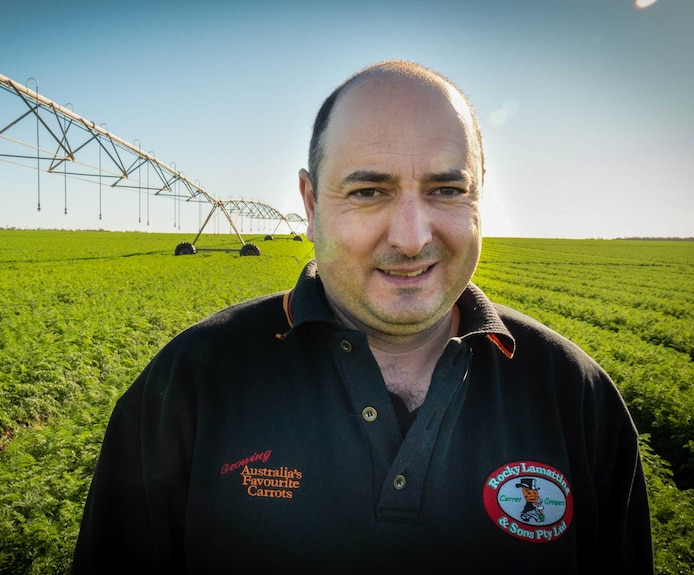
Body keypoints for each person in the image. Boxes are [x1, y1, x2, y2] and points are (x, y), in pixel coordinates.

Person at [71, 60, 653, 574]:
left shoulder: (573, 393)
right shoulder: (191, 382)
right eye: (370, 191)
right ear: (311, 202)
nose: (411, 237)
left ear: (479, 199)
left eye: (447, 190)